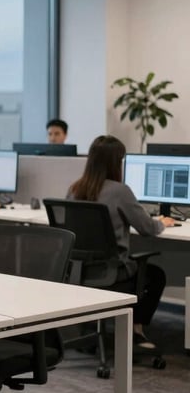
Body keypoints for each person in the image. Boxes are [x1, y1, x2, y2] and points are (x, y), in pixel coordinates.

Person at [67, 134, 173, 350]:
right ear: (115, 163)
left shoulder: (74, 189)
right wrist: (163, 222)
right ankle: (136, 331)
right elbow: (147, 228)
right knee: (156, 275)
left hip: (80, 271)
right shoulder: (120, 191)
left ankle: (89, 331)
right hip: (112, 272)